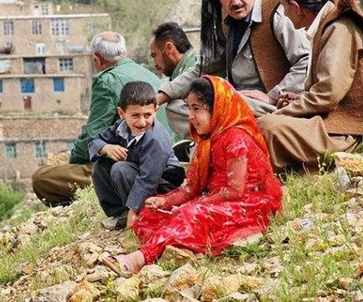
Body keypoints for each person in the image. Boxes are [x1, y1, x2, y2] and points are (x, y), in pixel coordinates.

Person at [101, 76, 283, 276]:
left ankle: (139, 258)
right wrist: (164, 201)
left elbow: (234, 190)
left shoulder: (236, 139)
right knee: (151, 211)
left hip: (247, 205)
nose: (191, 116)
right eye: (190, 108)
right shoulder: (207, 141)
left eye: (197, 108)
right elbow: (191, 188)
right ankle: (173, 238)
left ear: (217, 109)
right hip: (216, 200)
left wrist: (196, 205)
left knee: (189, 214)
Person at [257, 0, 363, 173]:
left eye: (282, 3)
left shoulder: (339, 28)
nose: (283, 11)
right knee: (261, 118)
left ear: (295, 6)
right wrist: (299, 100)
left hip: (351, 133)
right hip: (337, 123)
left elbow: (327, 94)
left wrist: (286, 111)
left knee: (266, 127)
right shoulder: (326, 25)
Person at [156, 0, 310, 117]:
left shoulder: (276, 15)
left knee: (223, 105)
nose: (235, 1)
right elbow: (204, 71)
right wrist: (161, 96)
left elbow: (305, 62)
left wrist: (273, 96)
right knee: (175, 108)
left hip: (267, 105)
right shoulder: (226, 24)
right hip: (236, 99)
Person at [32, 31, 171, 206]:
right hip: (162, 162)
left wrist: (74, 163)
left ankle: (84, 206)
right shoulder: (149, 75)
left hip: (130, 166)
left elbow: (93, 134)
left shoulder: (107, 80)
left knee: (42, 178)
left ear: (97, 59)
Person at [89, 81, 184, 230]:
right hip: (138, 175)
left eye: (147, 115)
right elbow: (95, 141)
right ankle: (120, 213)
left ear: (156, 110)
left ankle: (141, 214)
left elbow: (148, 179)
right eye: (135, 115)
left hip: (162, 184)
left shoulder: (155, 139)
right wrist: (105, 148)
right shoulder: (121, 127)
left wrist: (134, 209)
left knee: (120, 169)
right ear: (122, 113)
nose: (142, 122)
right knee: (101, 166)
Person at [149, 22, 198, 141]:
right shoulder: (179, 72)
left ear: (169, 48)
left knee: (175, 107)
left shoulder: (196, 64)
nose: (155, 64)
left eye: (155, 55)